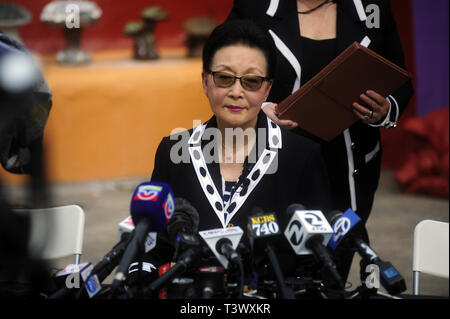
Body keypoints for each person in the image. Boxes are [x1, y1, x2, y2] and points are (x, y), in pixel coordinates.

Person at [226, 0, 414, 282]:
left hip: (348, 169)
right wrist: (255, 110)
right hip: (274, 166)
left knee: (332, 270)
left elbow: (400, 81)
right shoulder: (254, 6)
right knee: (270, 268)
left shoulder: (372, 9)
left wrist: (386, 110)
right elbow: (223, 72)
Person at [143, 19, 334, 295]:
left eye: (251, 81)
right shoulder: (174, 152)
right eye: (224, 78)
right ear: (205, 82)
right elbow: (154, 247)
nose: (236, 92)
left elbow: (318, 258)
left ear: (267, 89)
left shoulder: (301, 156)